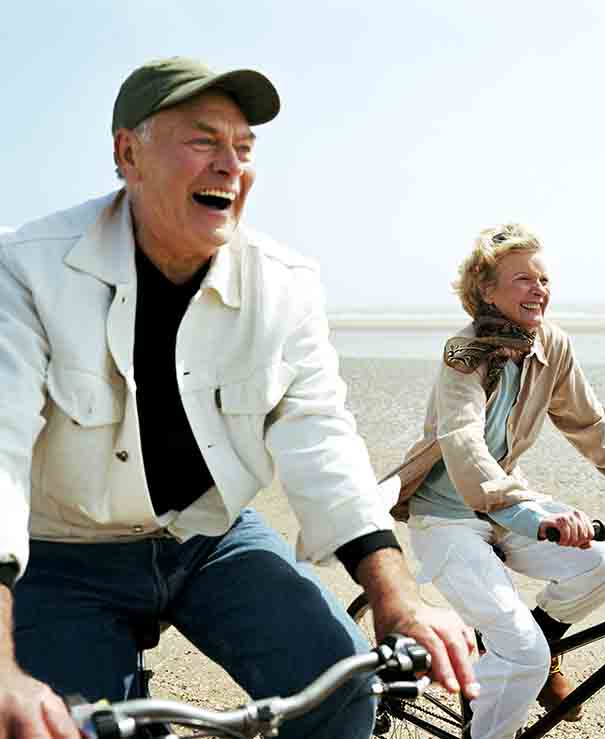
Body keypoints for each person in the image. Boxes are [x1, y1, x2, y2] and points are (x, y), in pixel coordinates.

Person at [0, 57, 478, 739]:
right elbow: (1, 448)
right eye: (203, 141)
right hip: (66, 546)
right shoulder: (25, 266)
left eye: (244, 148)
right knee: (62, 725)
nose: (231, 165)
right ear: (128, 154)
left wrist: (398, 598)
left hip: (210, 534)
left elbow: (322, 438)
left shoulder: (285, 284)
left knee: (343, 686)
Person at [383, 223, 605, 739]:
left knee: (603, 560)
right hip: (447, 518)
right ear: (487, 290)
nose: (539, 289)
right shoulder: (461, 354)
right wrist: (537, 516)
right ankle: (510, 684)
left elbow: (593, 425)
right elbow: (464, 445)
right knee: (520, 650)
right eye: (524, 279)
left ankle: (541, 650)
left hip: (506, 501)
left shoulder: (553, 345)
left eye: (544, 279)